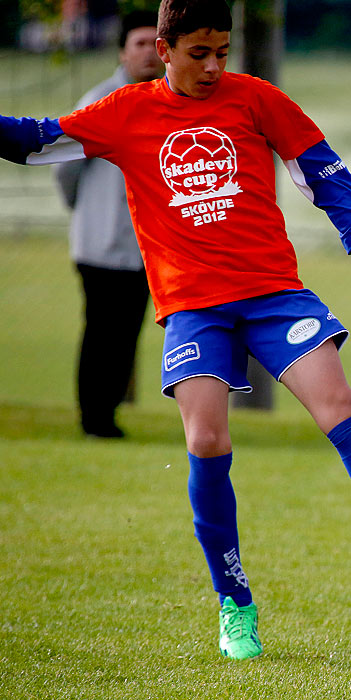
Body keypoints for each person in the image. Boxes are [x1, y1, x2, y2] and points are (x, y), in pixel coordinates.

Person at [0, 0, 351, 660]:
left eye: (224, 51)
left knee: (341, 407)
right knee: (207, 439)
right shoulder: (125, 114)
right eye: (199, 53)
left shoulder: (256, 100)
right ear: (163, 49)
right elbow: (31, 139)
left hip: (274, 295)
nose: (215, 66)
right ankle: (234, 602)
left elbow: (325, 172)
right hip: (194, 308)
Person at [53, 10, 162, 439]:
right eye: (139, 43)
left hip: (146, 249)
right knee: (101, 331)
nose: (149, 53)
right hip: (100, 243)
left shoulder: (167, 103)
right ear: (122, 50)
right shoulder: (99, 102)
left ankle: (108, 413)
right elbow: (64, 167)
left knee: (126, 334)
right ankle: (94, 417)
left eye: (156, 44)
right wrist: (84, 211)